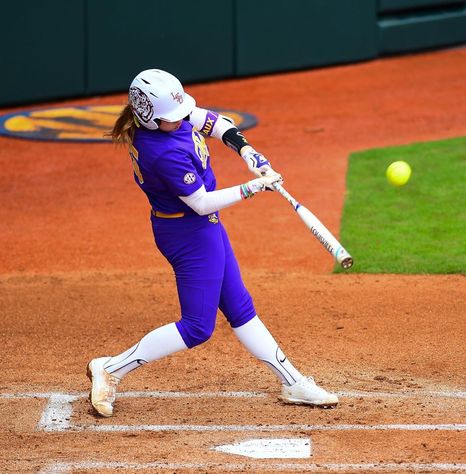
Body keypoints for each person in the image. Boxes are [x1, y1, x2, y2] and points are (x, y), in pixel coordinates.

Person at [87, 69, 338, 417]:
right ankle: (111, 368)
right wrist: (255, 187)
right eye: (171, 119)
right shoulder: (161, 152)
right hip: (186, 234)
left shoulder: (168, 118)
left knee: (239, 308)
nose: (180, 120)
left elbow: (211, 121)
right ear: (148, 117)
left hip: (203, 228)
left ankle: (292, 381)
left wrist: (246, 149)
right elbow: (201, 202)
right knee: (197, 327)